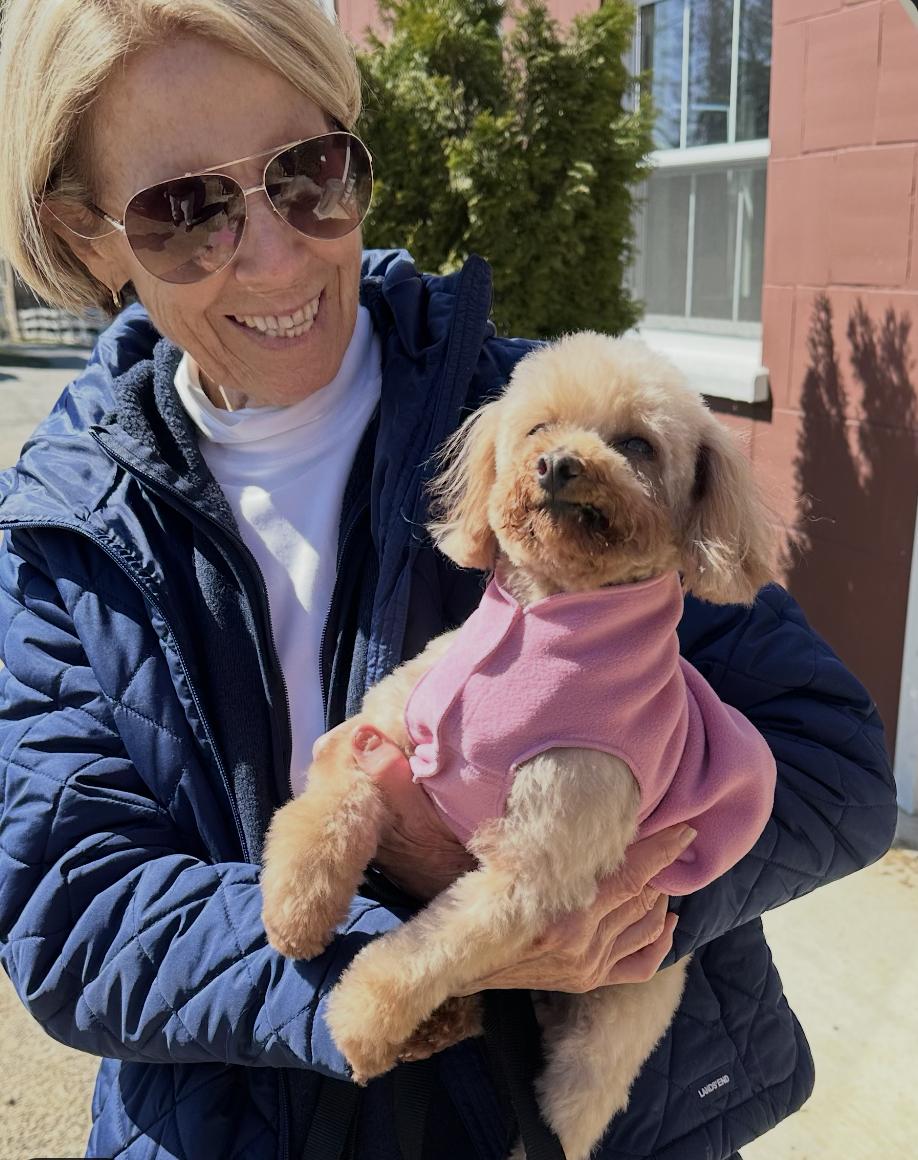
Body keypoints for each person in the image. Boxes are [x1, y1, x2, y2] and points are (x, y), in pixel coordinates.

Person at [0, 2, 897, 1158]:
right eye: (184, 212)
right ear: (88, 239)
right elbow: (73, 916)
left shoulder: (565, 412)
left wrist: (619, 901)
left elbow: (835, 763)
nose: (273, 253)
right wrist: (395, 957)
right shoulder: (61, 527)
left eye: (308, 172)